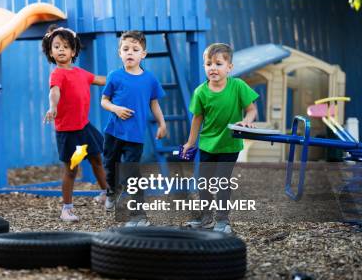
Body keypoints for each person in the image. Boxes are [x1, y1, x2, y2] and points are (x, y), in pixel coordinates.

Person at [182, 43, 258, 234]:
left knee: (223, 181)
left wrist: (247, 121)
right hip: (208, 144)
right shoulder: (200, 92)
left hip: (230, 144)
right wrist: (190, 143)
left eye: (218, 63)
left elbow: (251, 109)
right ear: (204, 67)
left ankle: (223, 220)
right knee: (204, 182)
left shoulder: (238, 86)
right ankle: (206, 217)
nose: (213, 68)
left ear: (229, 67)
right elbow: (196, 119)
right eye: (208, 64)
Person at [42, 25, 109, 222]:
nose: (61, 49)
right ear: (51, 52)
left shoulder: (81, 73)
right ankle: (66, 209)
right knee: (71, 170)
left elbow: (100, 79)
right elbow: (54, 91)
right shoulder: (57, 74)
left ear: (73, 51)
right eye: (56, 46)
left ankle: (106, 193)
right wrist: (52, 107)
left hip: (84, 128)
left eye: (65, 46)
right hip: (69, 132)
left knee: (97, 159)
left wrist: (122, 78)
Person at [101, 31, 167, 226]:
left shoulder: (150, 79)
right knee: (110, 167)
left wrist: (162, 123)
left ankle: (138, 215)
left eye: (135, 49)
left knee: (131, 173)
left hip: (135, 136)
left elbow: (154, 103)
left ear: (143, 54)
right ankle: (112, 192)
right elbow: (104, 101)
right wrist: (116, 108)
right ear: (119, 53)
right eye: (126, 49)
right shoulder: (114, 76)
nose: (130, 53)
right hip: (113, 132)